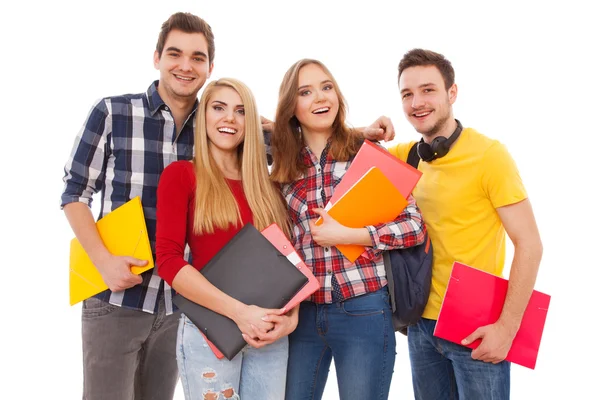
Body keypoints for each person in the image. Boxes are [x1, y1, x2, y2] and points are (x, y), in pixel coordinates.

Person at [61, 12, 216, 400]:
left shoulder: (217, 128)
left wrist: (360, 133)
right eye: (175, 54)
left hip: (180, 304)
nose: (185, 65)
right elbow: (74, 193)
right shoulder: (112, 113)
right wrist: (102, 261)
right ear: (157, 58)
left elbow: (283, 135)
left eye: (197, 57)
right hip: (117, 298)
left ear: (210, 67)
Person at [388, 48, 544, 399]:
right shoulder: (408, 157)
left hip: (475, 326)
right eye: (407, 94)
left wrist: (507, 328)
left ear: (451, 93)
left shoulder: (490, 156)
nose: (417, 102)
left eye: (428, 90)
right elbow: (341, 147)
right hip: (419, 327)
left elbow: (530, 245)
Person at [268, 58, 427, 400]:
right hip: (302, 316)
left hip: (364, 310)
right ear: (290, 106)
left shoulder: (365, 155)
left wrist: (352, 235)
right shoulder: (282, 165)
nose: (320, 98)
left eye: (326, 87)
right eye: (305, 92)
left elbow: (414, 226)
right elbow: (242, 130)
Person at [155, 77, 298, 400]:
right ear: (203, 115)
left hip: (269, 334)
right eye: (218, 108)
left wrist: (290, 320)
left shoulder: (267, 186)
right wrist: (239, 313)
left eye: (240, 111)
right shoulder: (181, 176)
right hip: (211, 333)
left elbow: (287, 259)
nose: (229, 119)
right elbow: (169, 262)